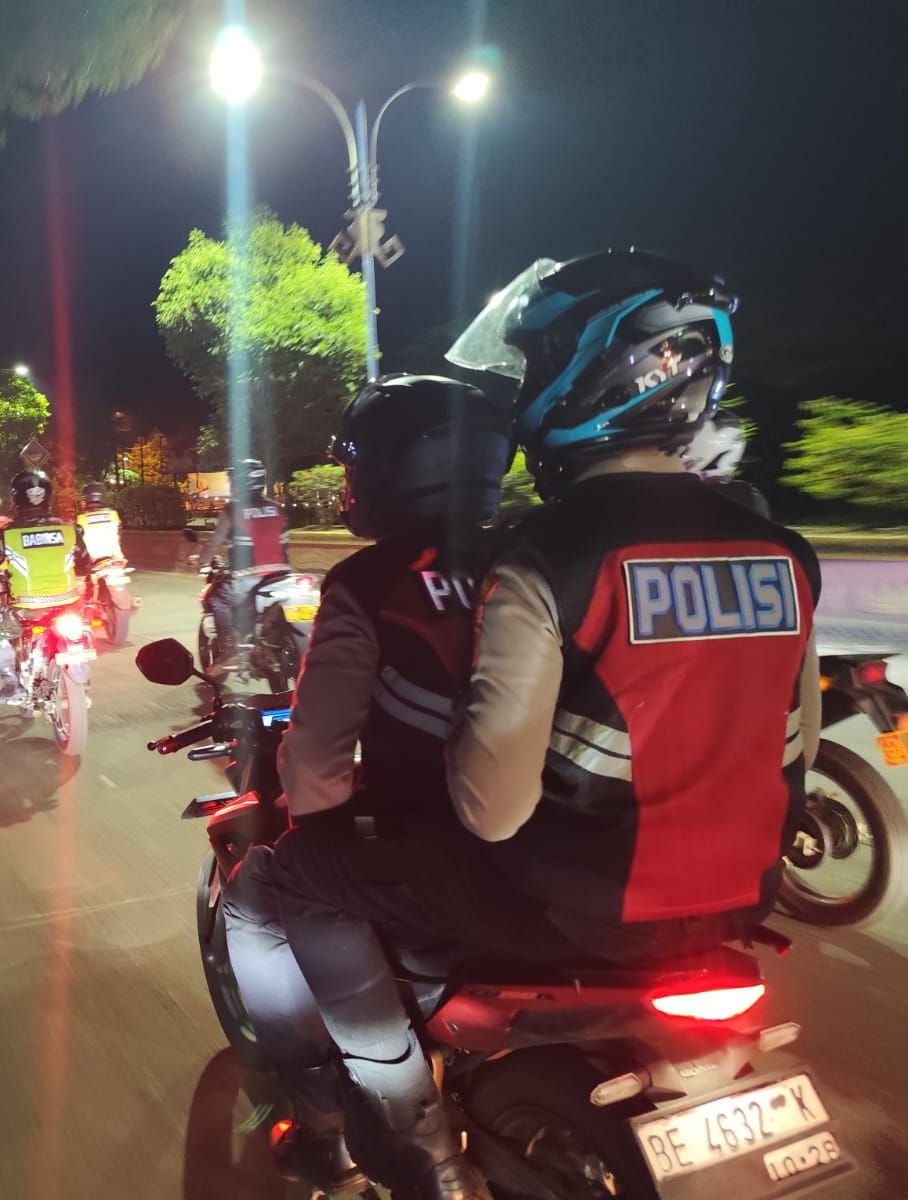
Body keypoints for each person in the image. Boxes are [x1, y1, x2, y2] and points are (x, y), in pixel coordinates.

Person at [259, 249, 824, 1199]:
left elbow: (493, 810)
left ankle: (402, 1122)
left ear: (590, 371)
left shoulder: (545, 556)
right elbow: (795, 745)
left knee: (297, 879)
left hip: (571, 901)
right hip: (741, 897)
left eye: (540, 361)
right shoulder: (783, 550)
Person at [221, 375, 512, 1199]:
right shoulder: (537, 558)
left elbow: (316, 757)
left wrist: (315, 826)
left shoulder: (369, 582)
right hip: (550, 840)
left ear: (387, 471)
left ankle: (353, 1117)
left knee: (267, 890)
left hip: (434, 854)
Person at [0, 468, 91, 704]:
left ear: (16, 498)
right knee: (84, 621)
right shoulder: (69, 528)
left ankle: (11, 684)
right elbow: (85, 565)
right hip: (67, 604)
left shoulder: (9, 533)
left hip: (26, 608)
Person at [199, 458, 290, 673]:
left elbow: (214, 542)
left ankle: (230, 649)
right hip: (282, 577)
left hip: (249, 578)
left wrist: (202, 561)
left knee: (217, 598)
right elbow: (284, 544)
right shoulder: (278, 509)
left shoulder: (232, 510)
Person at [74, 481, 125, 563]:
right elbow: (118, 536)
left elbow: (78, 544)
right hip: (116, 559)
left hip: (93, 562)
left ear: (85, 498)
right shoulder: (114, 515)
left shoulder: (80, 519)